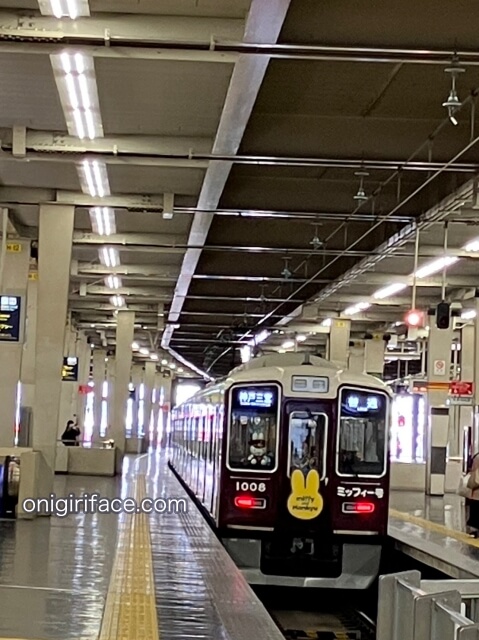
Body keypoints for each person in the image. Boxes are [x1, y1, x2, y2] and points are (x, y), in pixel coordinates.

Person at [465, 453, 479, 537]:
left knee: (475, 514)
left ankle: (475, 532)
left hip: (477, 493)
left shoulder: (477, 457)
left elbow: (473, 470)